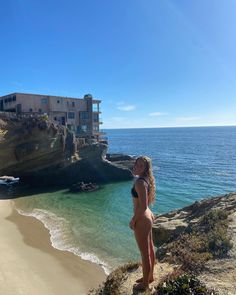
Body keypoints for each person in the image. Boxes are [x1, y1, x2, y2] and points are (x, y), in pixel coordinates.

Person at [129, 156, 156, 291]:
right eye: (136, 164)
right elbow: (146, 204)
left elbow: (143, 205)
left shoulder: (139, 182)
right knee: (150, 249)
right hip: (148, 216)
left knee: (144, 253)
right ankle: (149, 277)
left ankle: (145, 284)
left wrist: (134, 220)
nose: (137, 167)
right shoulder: (145, 180)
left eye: (141, 166)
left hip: (142, 218)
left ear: (146, 168)